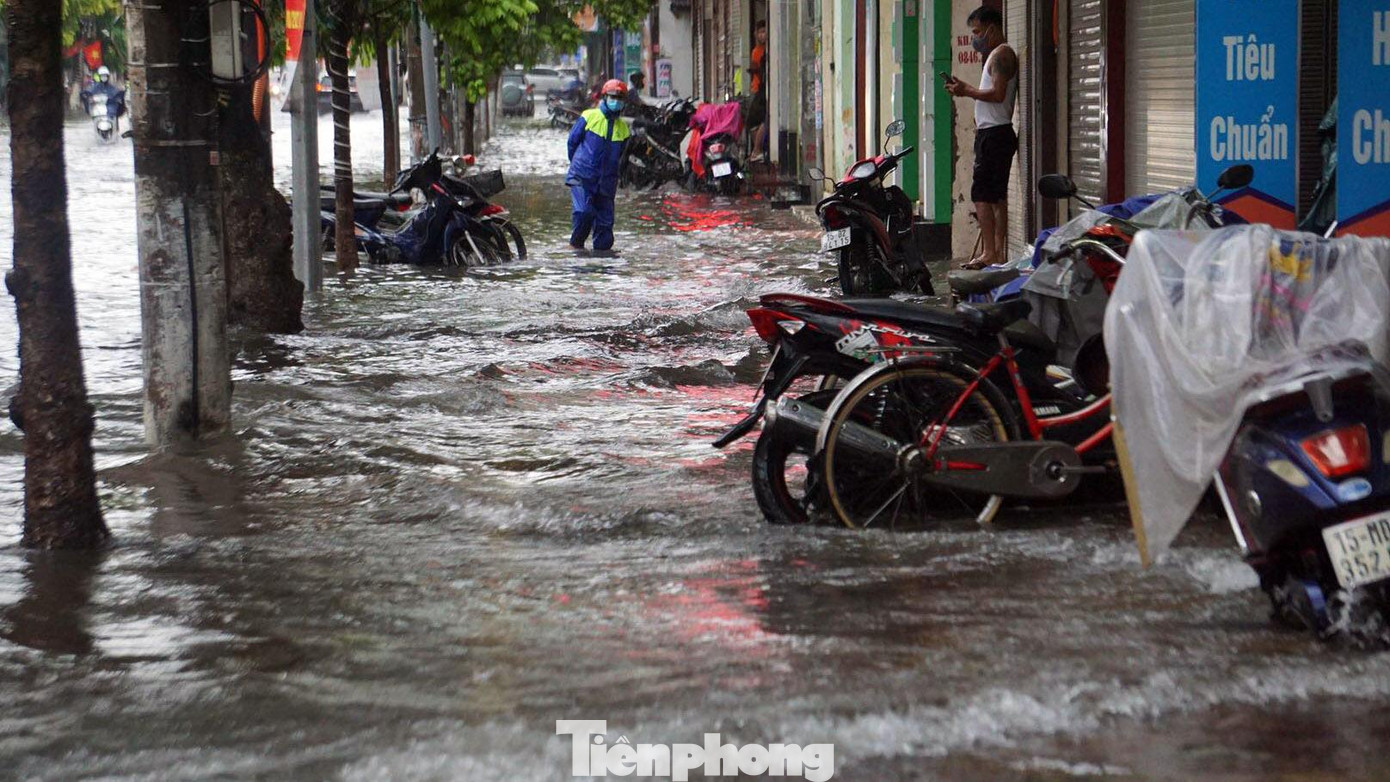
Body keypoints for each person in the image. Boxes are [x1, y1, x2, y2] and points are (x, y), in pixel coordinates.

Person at [945, 6, 1018, 269]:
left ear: (992, 28)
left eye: (977, 32)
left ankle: (990, 252)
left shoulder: (1002, 56)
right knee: (996, 197)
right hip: (993, 133)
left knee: (982, 195)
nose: (975, 38)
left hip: (995, 135)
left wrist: (968, 91)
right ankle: (996, 253)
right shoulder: (995, 56)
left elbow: (998, 94)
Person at [566, 79, 631, 252]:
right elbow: (572, 142)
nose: (615, 101)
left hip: (607, 183)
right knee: (583, 213)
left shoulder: (623, 129)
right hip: (582, 177)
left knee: (605, 230)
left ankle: (603, 271)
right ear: (604, 97)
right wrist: (577, 166)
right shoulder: (589, 116)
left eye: (620, 99)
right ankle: (575, 249)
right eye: (612, 97)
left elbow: (622, 157)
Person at [748, 20, 769, 163]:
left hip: (764, 89)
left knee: (764, 119)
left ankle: (757, 150)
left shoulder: (769, 50)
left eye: (764, 32)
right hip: (757, 88)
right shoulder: (756, 52)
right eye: (760, 32)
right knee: (753, 122)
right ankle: (757, 150)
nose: (762, 35)